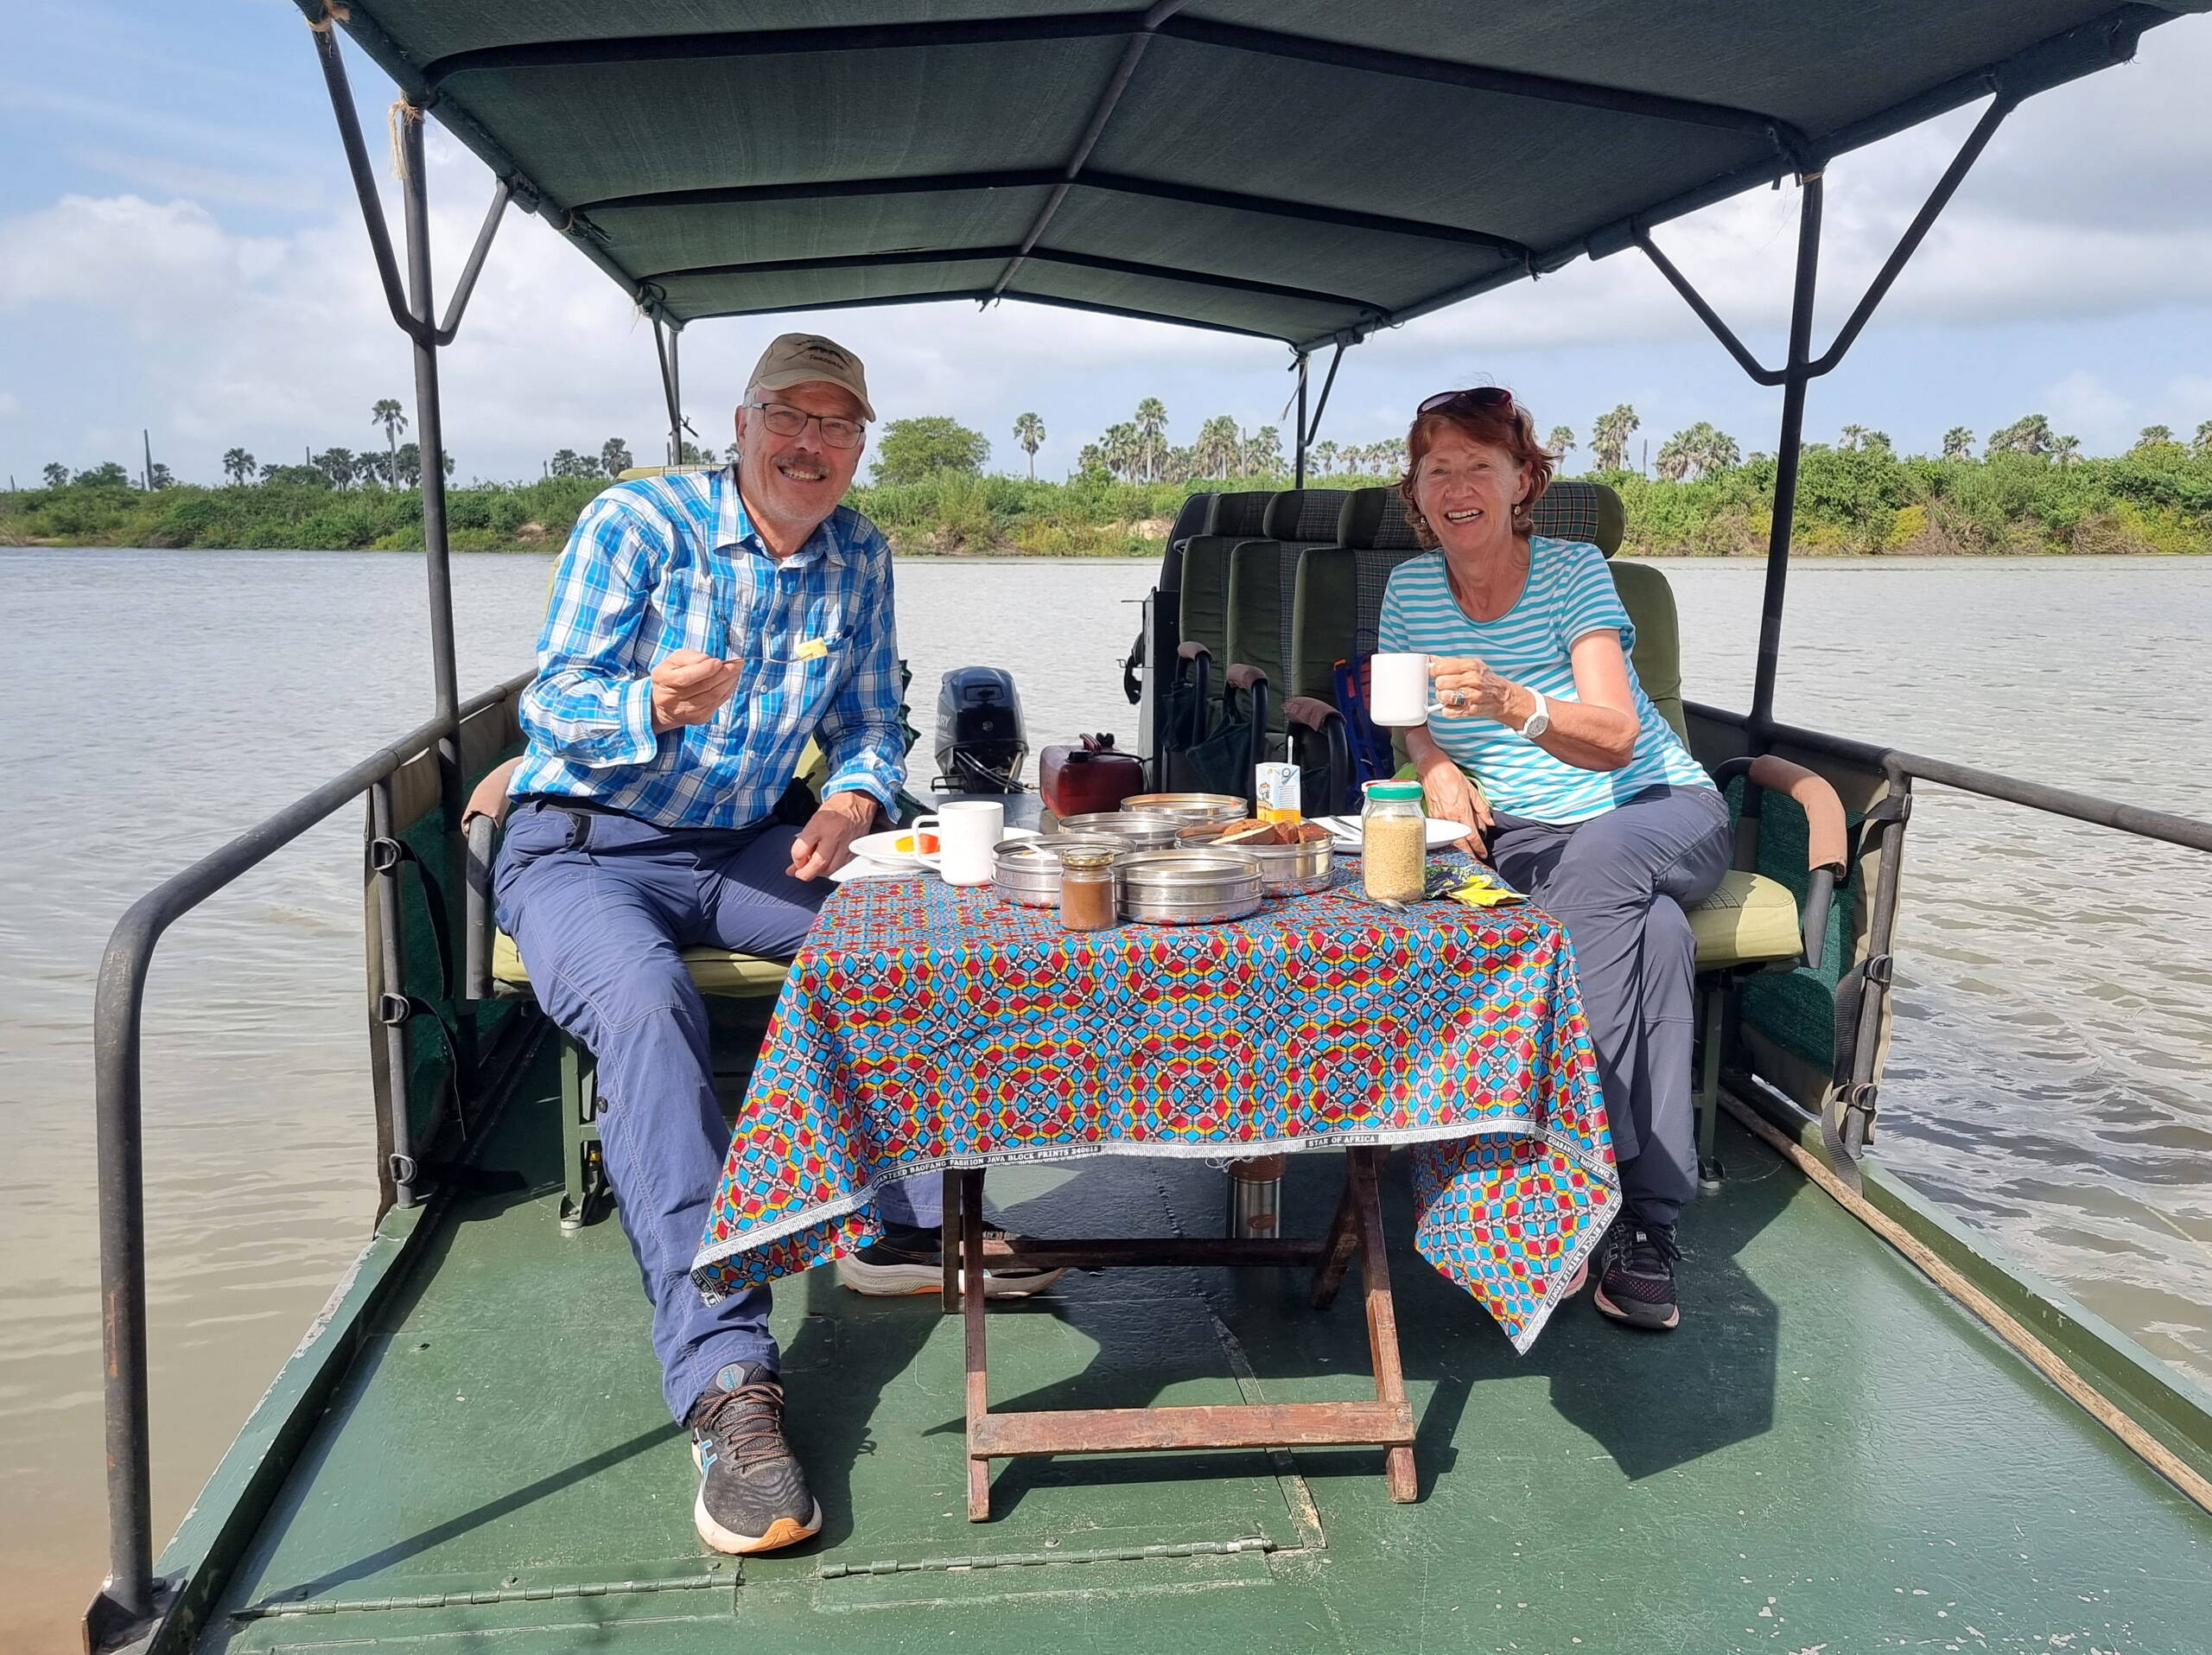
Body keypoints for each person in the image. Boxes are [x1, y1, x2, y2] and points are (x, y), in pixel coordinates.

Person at [493, 333, 1053, 1560]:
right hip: (583, 842)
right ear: (739, 425)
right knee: (647, 1010)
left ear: (861, 444)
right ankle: (726, 1380)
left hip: (743, 841)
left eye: (838, 426)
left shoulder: (860, 550)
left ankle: (896, 1225)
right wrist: (648, 700)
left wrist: (854, 798)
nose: (811, 445)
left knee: (914, 936)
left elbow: (868, 716)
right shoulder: (638, 521)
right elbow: (553, 700)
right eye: (788, 418)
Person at [1377, 386, 1730, 1334]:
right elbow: (1403, 712)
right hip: (1531, 835)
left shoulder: (1573, 572)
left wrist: (1507, 704)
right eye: (1436, 469)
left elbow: (1615, 735)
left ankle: (1574, 1175)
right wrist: (1436, 761)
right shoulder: (1410, 589)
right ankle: (1645, 1221)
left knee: (1614, 864)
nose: (1456, 486)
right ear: (1415, 491)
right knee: (1652, 934)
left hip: (1659, 809)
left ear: (1521, 481)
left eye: (1478, 467)